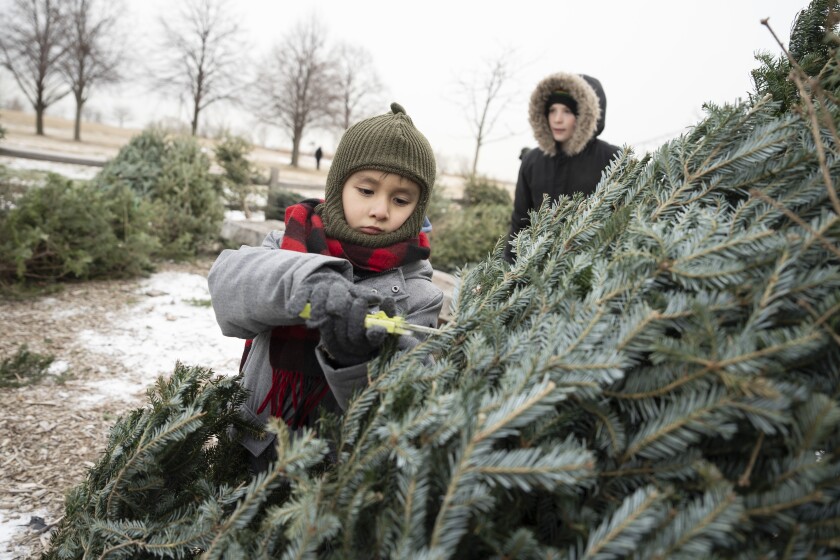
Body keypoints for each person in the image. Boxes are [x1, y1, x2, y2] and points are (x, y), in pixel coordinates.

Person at [208, 102, 443, 473]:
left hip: (333, 472)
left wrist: (358, 356)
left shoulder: (419, 295)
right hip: (254, 444)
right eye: (366, 190)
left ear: (416, 209)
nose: (381, 209)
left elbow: (406, 398)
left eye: (400, 200)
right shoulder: (286, 245)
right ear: (338, 187)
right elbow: (228, 285)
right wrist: (308, 283)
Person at [504, 72, 620, 263]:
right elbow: (519, 223)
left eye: (567, 111)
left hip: (591, 270)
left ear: (585, 115)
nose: (557, 119)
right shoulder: (532, 161)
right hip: (537, 271)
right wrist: (507, 273)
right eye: (552, 110)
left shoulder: (612, 159)